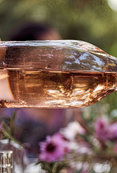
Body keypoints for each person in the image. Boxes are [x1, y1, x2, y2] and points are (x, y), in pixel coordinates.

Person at [1, 22, 77, 157]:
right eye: (50, 52)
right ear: (22, 58)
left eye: (61, 49)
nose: (59, 56)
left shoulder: (69, 104)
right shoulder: (5, 103)